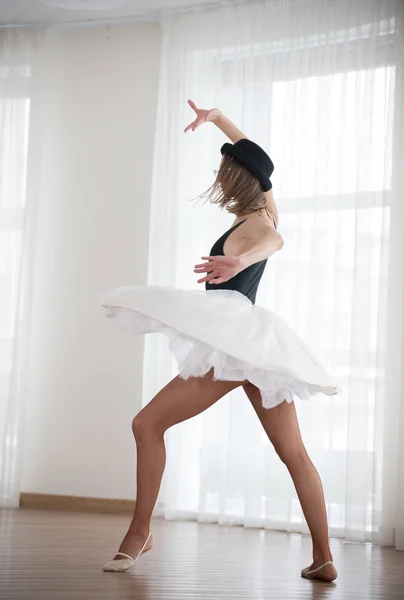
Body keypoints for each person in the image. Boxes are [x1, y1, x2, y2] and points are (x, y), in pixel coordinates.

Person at [101, 100, 338, 582]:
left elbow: (274, 242)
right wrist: (217, 120)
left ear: (235, 180)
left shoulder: (260, 224)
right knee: (294, 453)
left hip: (232, 342)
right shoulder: (264, 206)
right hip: (255, 345)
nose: (218, 175)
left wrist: (239, 263)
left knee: (146, 426)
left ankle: (140, 532)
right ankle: (324, 557)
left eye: (223, 169)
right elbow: (259, 166)